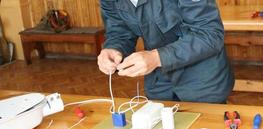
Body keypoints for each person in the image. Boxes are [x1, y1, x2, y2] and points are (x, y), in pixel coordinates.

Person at [97, 0, 234, 103]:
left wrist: (157, 58)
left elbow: (210, 34)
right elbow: (119, 32)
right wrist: (113, 48)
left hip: (203, 83)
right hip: (159, 83)